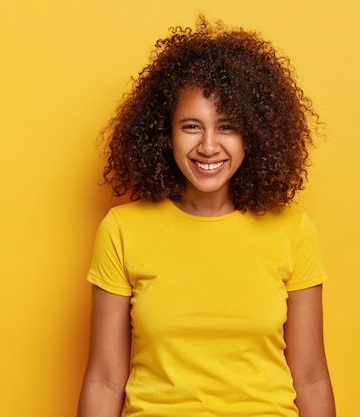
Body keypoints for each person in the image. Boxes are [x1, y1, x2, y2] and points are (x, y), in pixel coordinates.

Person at [78, 16, 335, 417]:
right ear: (166, 133)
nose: (209, 146)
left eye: (228, 126)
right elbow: (105, 380)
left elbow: (311, 377)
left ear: (255, 133)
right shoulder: (122, 229)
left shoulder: (293, 230)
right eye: (192, 126)